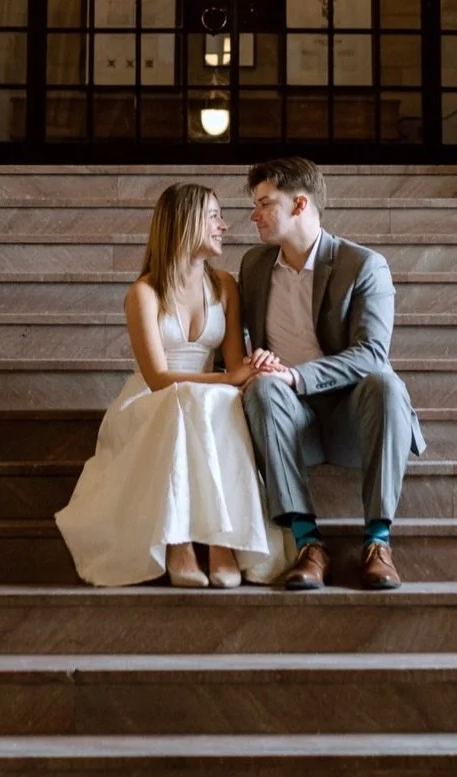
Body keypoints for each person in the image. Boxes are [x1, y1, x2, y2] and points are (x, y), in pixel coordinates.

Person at [55, 182, 290, 588]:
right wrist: (226, 378)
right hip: (152, 401)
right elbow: (157, 378)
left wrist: (258, 364)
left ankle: (222, 543)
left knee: (216, 401)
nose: (224, 225)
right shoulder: (144, 293)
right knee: (188, 400)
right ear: (185, 223)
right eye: (214, 216)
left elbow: (234, 363)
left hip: (206, 397)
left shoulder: (225, 286)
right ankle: (178, 544)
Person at [239, 156, 424, 590]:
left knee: (386, 384)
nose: (253, 215)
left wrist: (296, 376)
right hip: (287, 418)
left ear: (300, 204)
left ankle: (378, 543)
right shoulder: (254, 266)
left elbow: (371, 354)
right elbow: (235, 339)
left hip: (352, 419)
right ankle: (308, 544)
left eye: (265, 203)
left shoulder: (362, 265)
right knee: (262, 389)